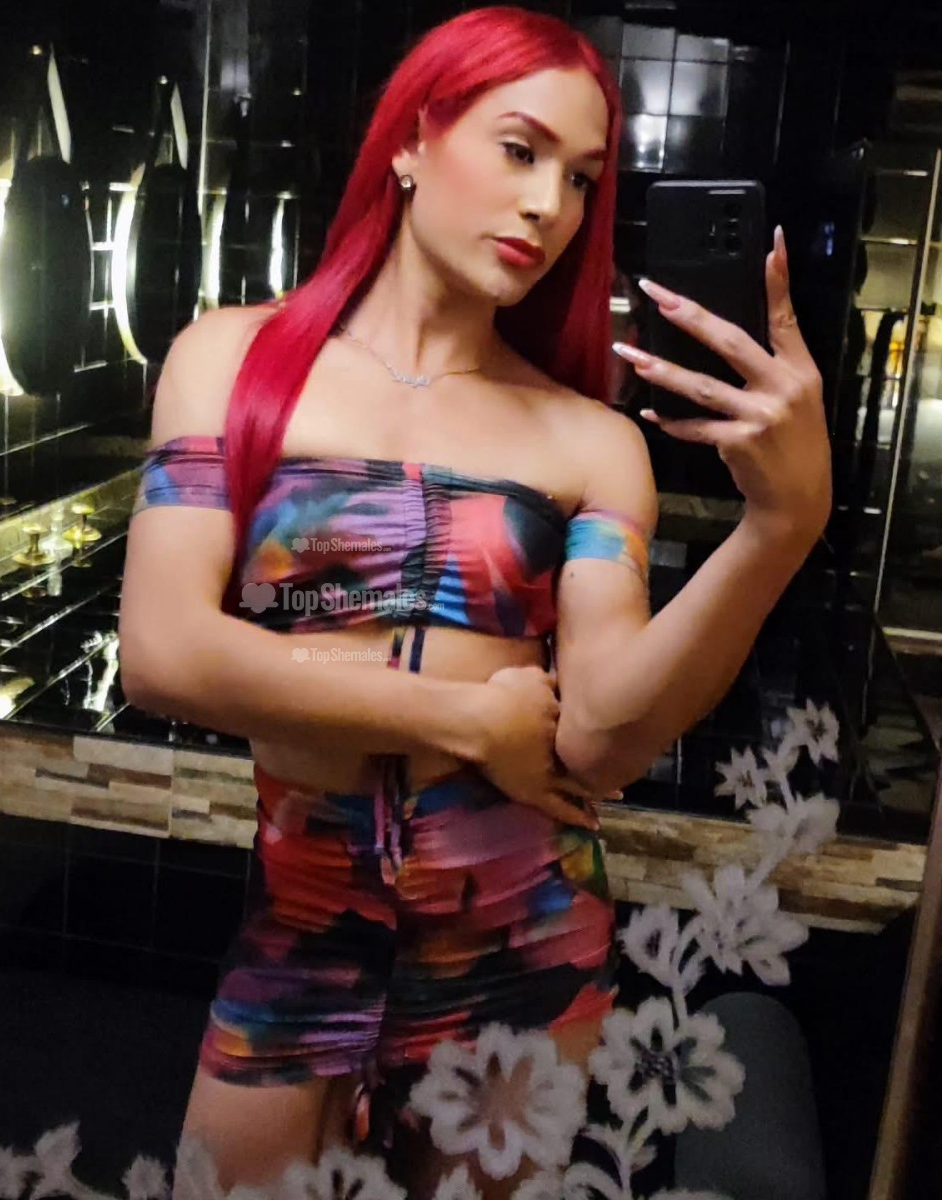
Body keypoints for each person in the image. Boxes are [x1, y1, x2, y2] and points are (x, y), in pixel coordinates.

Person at [118, 7, 830, 1196]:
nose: (551, 204)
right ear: (411, 140)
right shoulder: (231, 364)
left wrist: (779, 529)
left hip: (526, 949)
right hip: (304, 933)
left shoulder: (591, 440)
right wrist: (457, 717)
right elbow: (164, 651)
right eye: (520, 149)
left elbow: (599, 736)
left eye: (582, 178)